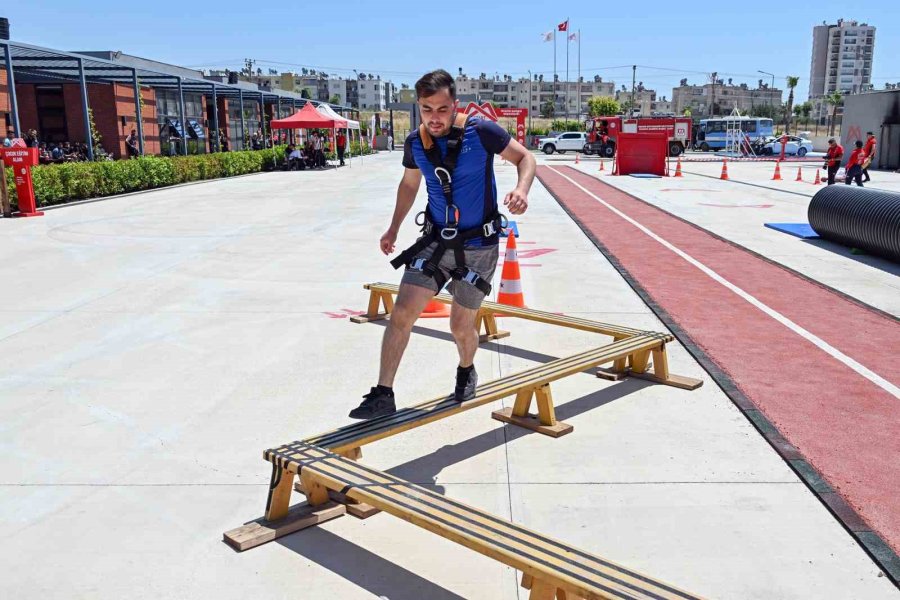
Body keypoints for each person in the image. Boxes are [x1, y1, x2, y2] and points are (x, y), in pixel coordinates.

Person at [348, 69, 535, 420]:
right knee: (401, 312)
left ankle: (466, 369)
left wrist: (521, 189)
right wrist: (393, 229)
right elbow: (409, 185)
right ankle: (383, 393)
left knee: (460, 326)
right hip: (435, 242)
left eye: (442, 109)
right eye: (426, 109)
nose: (434, 117)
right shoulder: (416, 143)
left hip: (478, 246)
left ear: (455, 105)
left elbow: (526, 158)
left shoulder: (481, 132)